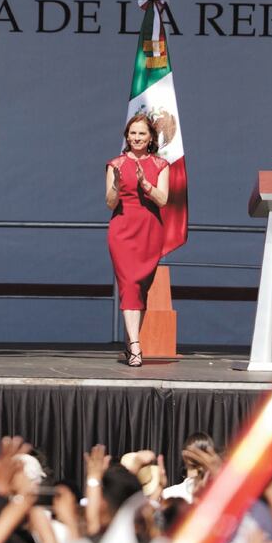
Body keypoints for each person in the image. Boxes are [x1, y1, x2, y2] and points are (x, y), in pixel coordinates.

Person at [105, 114, 169, 367]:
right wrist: (117, 186)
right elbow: (110, 202)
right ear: (126, 136)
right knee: (129, 285)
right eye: (132, 133)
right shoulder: (115, 164)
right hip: (122, 230)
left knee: (140, 288)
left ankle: (133, 341)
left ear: (151, 137)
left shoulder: (161, 165)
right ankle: (135, 346)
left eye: (141, 134)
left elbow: (163, 200)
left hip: (150, 231)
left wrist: (145, 184)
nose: (136, 138)